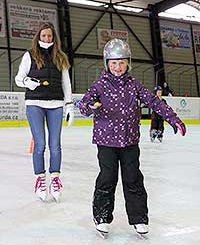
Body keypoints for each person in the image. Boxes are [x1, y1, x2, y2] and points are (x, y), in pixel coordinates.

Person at [79, 38, 186, 236]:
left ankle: (139, 218)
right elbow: (83, 105)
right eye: (113, 63)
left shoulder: (134, 85)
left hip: (129, 140)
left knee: (133, 178)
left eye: (121, 62)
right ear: (107, 64)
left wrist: (173, 119)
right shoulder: (99, 85)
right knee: (107, 177)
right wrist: (89, 107)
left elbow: (154, 102)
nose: (118, 67)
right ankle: (102, 216)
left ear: (128, 62)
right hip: (106, 141)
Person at [15, 22, 74, 202]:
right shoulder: (30, 55)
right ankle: (40, 179)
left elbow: (66, 83)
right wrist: (27, 82)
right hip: (34, 103)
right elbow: (18, 78)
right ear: (38, 37)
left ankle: (55, 179)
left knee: (55, 145)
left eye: (49, 36)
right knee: (40, 145)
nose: (47, 39)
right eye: (43, 36)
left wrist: (69, 105)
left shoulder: (61, 57)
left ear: (53, 38)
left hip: (55, 104)